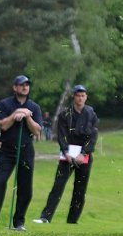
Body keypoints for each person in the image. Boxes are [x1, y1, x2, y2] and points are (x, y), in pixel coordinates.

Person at [33, 85, 98, 225]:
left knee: (80, 189)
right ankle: (45, 217)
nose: (80, 98)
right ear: (73, 97)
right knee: (58, 185)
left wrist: (83, 153)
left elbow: (93, 136)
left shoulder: (91, 113)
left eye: (83, 96)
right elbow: (62, 135)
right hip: (67, 155)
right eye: (78, 95)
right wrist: (65, 151)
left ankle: (72, 221)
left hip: (84, 156)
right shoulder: (65, 114)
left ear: (86, 97)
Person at [0, 75, 42, 231]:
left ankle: (19, 222)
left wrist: (27, 116)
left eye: (27, 85)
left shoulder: (34, 107)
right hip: (8, 150)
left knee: (25, 188)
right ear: (15, 87)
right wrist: (16, 113)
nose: (25, 87)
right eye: (21, 84)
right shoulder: (4, 104)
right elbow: (3, 126)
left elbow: (37, 131)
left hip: (26, 149)